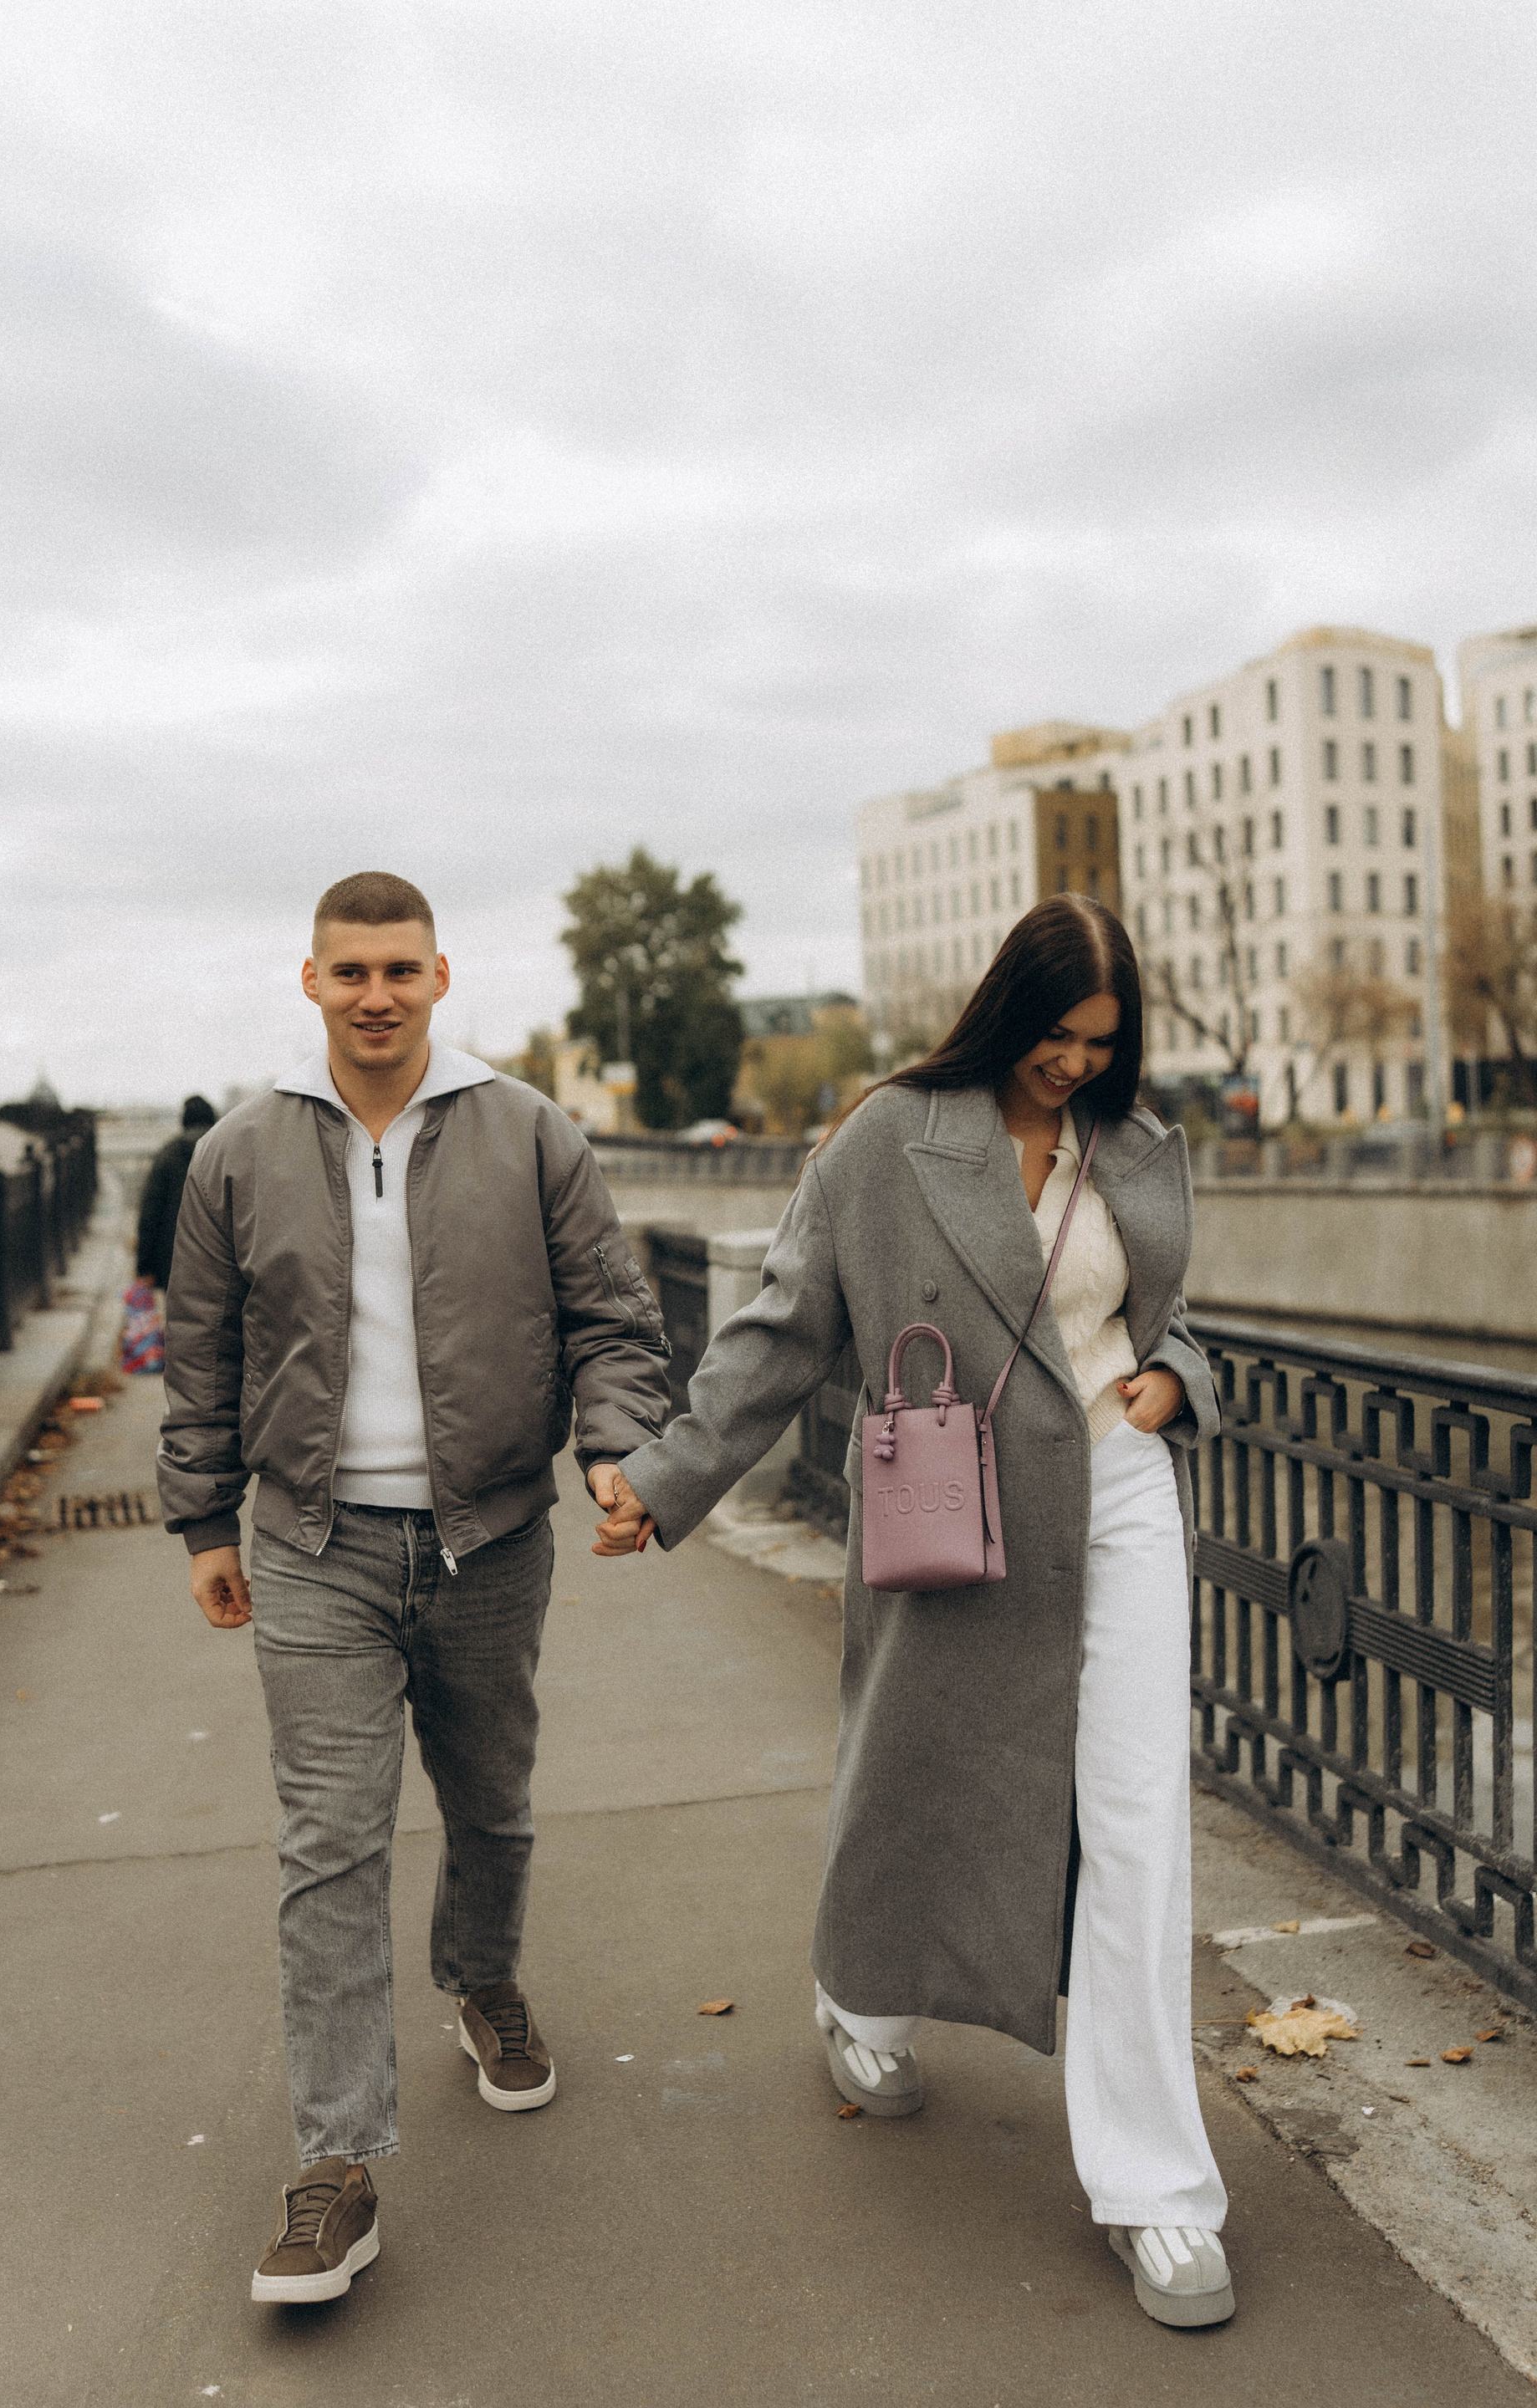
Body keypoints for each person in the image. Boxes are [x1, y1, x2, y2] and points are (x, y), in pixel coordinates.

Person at [595, 895, 1233, 2331]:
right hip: (959, 1493)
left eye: (1102, 1043)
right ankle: (863, 1997)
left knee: (1137, 1826)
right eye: (1057, 1036)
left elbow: (1167, 1314)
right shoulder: (891, 1138)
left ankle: (1157, 2190)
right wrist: (665, 1477)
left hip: (1122, 1492)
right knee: (917, 1770)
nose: (1075, 1064)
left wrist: (1178, 1380)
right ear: (1008, 1009)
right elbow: (782, 1327)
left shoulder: (1134, 1143)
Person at [156, 870, 671, 2305]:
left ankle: (482, 1977)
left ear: (440, 977)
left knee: (492, 1796)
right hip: (310, 1544)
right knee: (329, 1842)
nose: (375, 995)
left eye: (400, 970)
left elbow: (614, 1320)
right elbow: (199, 1353)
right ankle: (337, 2164)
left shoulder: (530, 1133)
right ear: (311, 981)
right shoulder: (238, 1155)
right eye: (351, 972)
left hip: (490, 1535)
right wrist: (201, 1519)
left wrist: (616, 1449)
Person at [135, 1094, 217, 1291]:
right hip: (218, 1259)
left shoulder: (168, 1154)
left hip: (172, 1258)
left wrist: (144, 1266)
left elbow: (150, 1213)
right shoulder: (226, 1152)